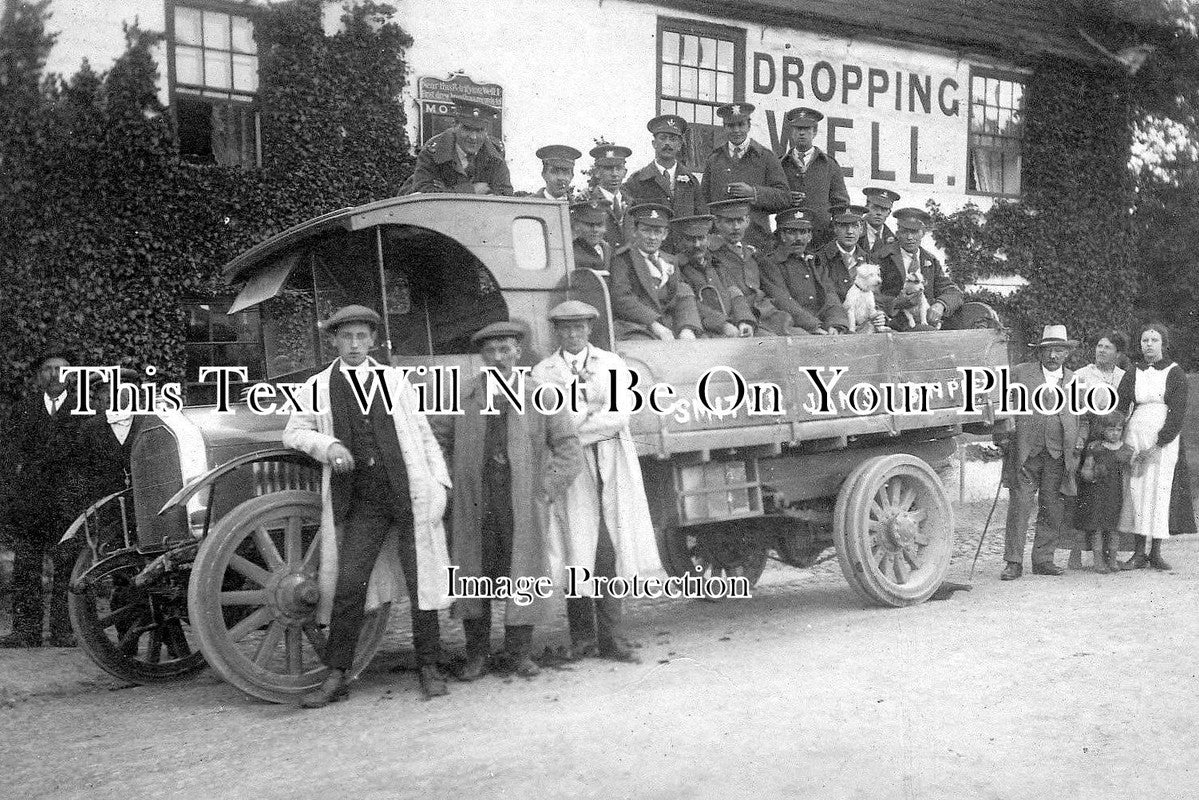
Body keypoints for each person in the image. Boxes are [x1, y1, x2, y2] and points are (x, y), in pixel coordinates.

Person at [282, 305, 454, 707]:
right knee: (349, 583)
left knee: (421, 581)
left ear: (373, 341)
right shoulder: (319, 386)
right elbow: (294, 432)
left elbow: (424, 435)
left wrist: (439, 484)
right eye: (347, 338)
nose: (355, 344)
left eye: (362, 337)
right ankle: (338, 673)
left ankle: (429, 665)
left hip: (408, 491)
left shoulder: (395, 381)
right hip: (363, 499)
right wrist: (330, 445)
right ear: (334, 341)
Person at [432, 322, 582, 680]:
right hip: (475, 503)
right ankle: (476, 656)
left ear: (518, 352)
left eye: (506, 350)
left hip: (522, 503)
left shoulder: (543, 395)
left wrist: (544, 491)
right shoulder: (463, 396)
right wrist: (449, 487)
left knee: (523, 574)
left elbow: (568, 450)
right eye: (491, 352)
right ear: (482, 357)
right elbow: (436, 441)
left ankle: (518, 654)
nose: (499, 358)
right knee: (474, 573)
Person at [532, 301, 661, 662]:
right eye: (565, 328)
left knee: (607, 549)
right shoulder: (545, 371)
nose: (573, 334)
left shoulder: (611, 364)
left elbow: (619, 415)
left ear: (590, 329)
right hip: (572, 468)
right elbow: (552, 421)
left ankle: (613, 638)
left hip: (611, 460)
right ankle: (582, 638)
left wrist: (579, 419)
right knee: (577, 547)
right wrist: (589, 409)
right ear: (556, 332)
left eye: (579, 328)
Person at [995, 325, 1089, 580]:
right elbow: (999, 400)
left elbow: (1083, 417)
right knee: (1020, 505)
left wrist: (1079, 441)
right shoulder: (1020, 373)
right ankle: (1013, 562)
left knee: (1052, 506)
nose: (1053, 356)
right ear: (1040, 352)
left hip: (1059, 454)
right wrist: (1002, 435)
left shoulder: (1073, 379)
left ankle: (1043, 559)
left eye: (1059, 350)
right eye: (1048, 350)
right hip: (1026, 451)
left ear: (1067, 354)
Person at [2, 345, 81, 648]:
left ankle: (64, 630)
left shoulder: (82, 407)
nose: (55, 374)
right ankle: (26, 630)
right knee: (26, 564)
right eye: (48, 369)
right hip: (32, 499)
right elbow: (10, 454)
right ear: (38, 376)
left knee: (68, 565)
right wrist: (13, 492)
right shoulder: (24, 408)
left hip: (67, 500)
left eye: (61, 368)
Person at [1115, 323, 1196, 570]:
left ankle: (1156, 552)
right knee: (1136, 491)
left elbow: (1177, 413)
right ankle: (1138, 552)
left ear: (1164, 344)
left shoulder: (1174, 372)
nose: (1149, 345)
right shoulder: (1133, 372)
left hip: (1162, 441)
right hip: (1135, 436)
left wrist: (1160, 442)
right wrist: (1118, 437)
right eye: (1144, 340)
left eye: (1154, 340)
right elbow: (1120, 405)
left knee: (1159, 490)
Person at [1067, 329, 1129, 568]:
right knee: (1082, 498)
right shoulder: (1081, 375)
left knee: (1111, 499)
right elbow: (1073, 409)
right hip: (1088, 438)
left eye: (1107, 347)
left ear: (1118, 353)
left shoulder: (1124, 377)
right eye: (1099, 346)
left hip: (1112, 440)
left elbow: (1127, 408)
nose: (1101, 350)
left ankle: (1111, 555)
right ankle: (1075, 552)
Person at [699, 103, 791, 251]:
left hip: (757, 241)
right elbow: (704, 201)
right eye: (731, 125)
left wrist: (754, 193)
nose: (736, 130)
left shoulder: (766, 157)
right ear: (724, 127)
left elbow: (784, 197)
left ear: (749, 126)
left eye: (741, 125)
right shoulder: (714, 160)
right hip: (720, 246)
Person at [607, 202, 701, 341]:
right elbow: (622, 299)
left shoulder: (670, 260)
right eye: (646, 230)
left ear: (665, 234)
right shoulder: (623, 259)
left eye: (657, 232)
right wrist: (654, 325)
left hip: (668, 327)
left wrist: (686, 328)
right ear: (634, 231)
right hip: (635, 327)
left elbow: (681, 295)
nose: (652, 237)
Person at [707, 198, 795, 335]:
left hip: (768, 315)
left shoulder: (751, 253)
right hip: (739, 318)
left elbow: (774, 291)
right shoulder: (710, 254)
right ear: (717, 223)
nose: (736, 227)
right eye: (729, 221)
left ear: (747, 221)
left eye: (740, 221)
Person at [759, 207, 850, 335]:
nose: (798, 238)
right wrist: (814, 326)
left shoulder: (814, 261)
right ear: (782, 235)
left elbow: (830, 295)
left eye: (803, 232)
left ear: (810, 236)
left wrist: (834, 324)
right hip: (795, 328)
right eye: (792, 232)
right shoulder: (771, 264)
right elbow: (783, 301)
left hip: (823, 327)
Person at [623, 114, 704, 249]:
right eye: (663, 138)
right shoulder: (638, 180)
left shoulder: (691, 182)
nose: (667, 143)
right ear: (654, 144)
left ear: (679, 145)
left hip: (684, 254)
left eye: (672, 139)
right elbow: (628, 219)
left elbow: (701, 219)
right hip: (652, 253)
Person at [875, 207, 964, 330]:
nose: (910, 237)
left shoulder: (930, 261)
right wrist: (897, 302)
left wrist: (940, 305)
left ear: (923, 233)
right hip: (895, 322)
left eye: (915, 232)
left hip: (923, 320)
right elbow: (872, 294)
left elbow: (953, 291)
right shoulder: (883, 257)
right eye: (905, 231)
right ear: (898, 233)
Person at [673, 213, 755, 337]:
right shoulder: (676, 268)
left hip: (731, 325)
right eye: (690, 240)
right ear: (680, 241)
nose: (697, 245)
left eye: (701, 238)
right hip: (699, 328)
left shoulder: (716, 263)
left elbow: (734, 292)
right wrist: (723, 325)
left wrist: (744, 320)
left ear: (708, 239)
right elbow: (689, 304)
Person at [778, 107, 849, 246]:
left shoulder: (829, 165)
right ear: (792, 132)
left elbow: (841, 204)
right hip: (789, 238)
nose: (802, 133)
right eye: (798, 129)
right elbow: (771, 199)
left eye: (807, 129)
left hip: (821, 238)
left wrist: (832, 232)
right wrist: (786, 198)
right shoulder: (780, 164)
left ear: (815, 132)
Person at [409, 100, 513, 195]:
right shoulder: (432, 152)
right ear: (454, 126)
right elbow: (423, 193)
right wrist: (470, 190)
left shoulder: (495, 155)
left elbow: (505, 193)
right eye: (467, 129)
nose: (473, 137)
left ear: (486, 131)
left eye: (479, 130)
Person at [1076, 412, 1134, 574]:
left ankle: (1113, 560)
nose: (1115, 433)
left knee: (1114, 529)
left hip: (1116, 495)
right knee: (1097, 529)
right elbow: (1085, 471)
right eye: (1110, 430)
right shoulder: (1095, 448)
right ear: (1102, 430)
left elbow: (1133, 472)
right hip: (1098, 495)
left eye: (1118, 429)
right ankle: (1098, 561)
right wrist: (1094, 473)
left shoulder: (1126, 450)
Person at [815, 205, 873, 303]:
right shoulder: (820, 258)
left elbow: (874, 295)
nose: (849, 231)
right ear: (835, 228)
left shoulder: (866, 259)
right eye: (843, 226)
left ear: (861, 229)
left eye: (855, 226)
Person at [588, 144, 633, 249]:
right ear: (597, 173)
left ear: (625, 172)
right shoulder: (588, 201)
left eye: (619, 168)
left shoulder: (632, 203)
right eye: (608, 169)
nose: (614, 174)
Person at [570, 197, 613, 271]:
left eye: (599, 225)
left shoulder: (609, 250)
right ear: (577, 225)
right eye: (589, 225)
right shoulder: (571, 252)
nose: (595, 230)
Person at [859, 187, 901, 257]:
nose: (879, 213)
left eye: (884, 209)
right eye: (875, 208)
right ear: (866, 208)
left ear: (889, 213)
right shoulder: (853, 232)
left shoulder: (894, 240)